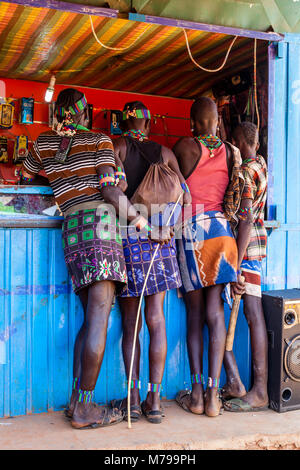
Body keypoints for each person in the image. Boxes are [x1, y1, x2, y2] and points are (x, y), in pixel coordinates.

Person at [19, 89, 168, 429]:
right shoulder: (100, 141)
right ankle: (85, 408)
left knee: (90, 319)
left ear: (59, 114)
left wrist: (62, 179)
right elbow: (111, 191)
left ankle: (76, 400)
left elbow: (25, 178)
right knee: (99, 318)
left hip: (71, 229)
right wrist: (147, 226)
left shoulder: (42, 144)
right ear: (85, 115)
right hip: (100, 228)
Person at [111, 101, 191, 424]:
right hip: (162, 242)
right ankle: (154, 401)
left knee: (132, 324)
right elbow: (185, 196)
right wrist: (171, 228)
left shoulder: (116, 146)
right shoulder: (166, 153)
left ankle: (131, 399)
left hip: (131, 238)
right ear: (147, 123)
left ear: (122, 122)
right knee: (156, 319)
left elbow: (111, 193)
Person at [172, 97, 244, 417]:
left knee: (194, 316)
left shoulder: (185, 147)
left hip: (192, 235)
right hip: (223, 233)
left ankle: (198, 394)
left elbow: (172, 192)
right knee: (215, 315)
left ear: (192, 122)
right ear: (217, 121)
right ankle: (215, 398)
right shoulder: (231, 152)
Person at [222, 121, 269, 412]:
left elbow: (246, 218)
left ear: (239, 141)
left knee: (253, 316)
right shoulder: (261, 165)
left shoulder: (244, 172)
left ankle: (260, 390)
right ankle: (246, 385)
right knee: (253, 316)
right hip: (256, 246)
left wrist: (235, 265)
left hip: (246, 249)